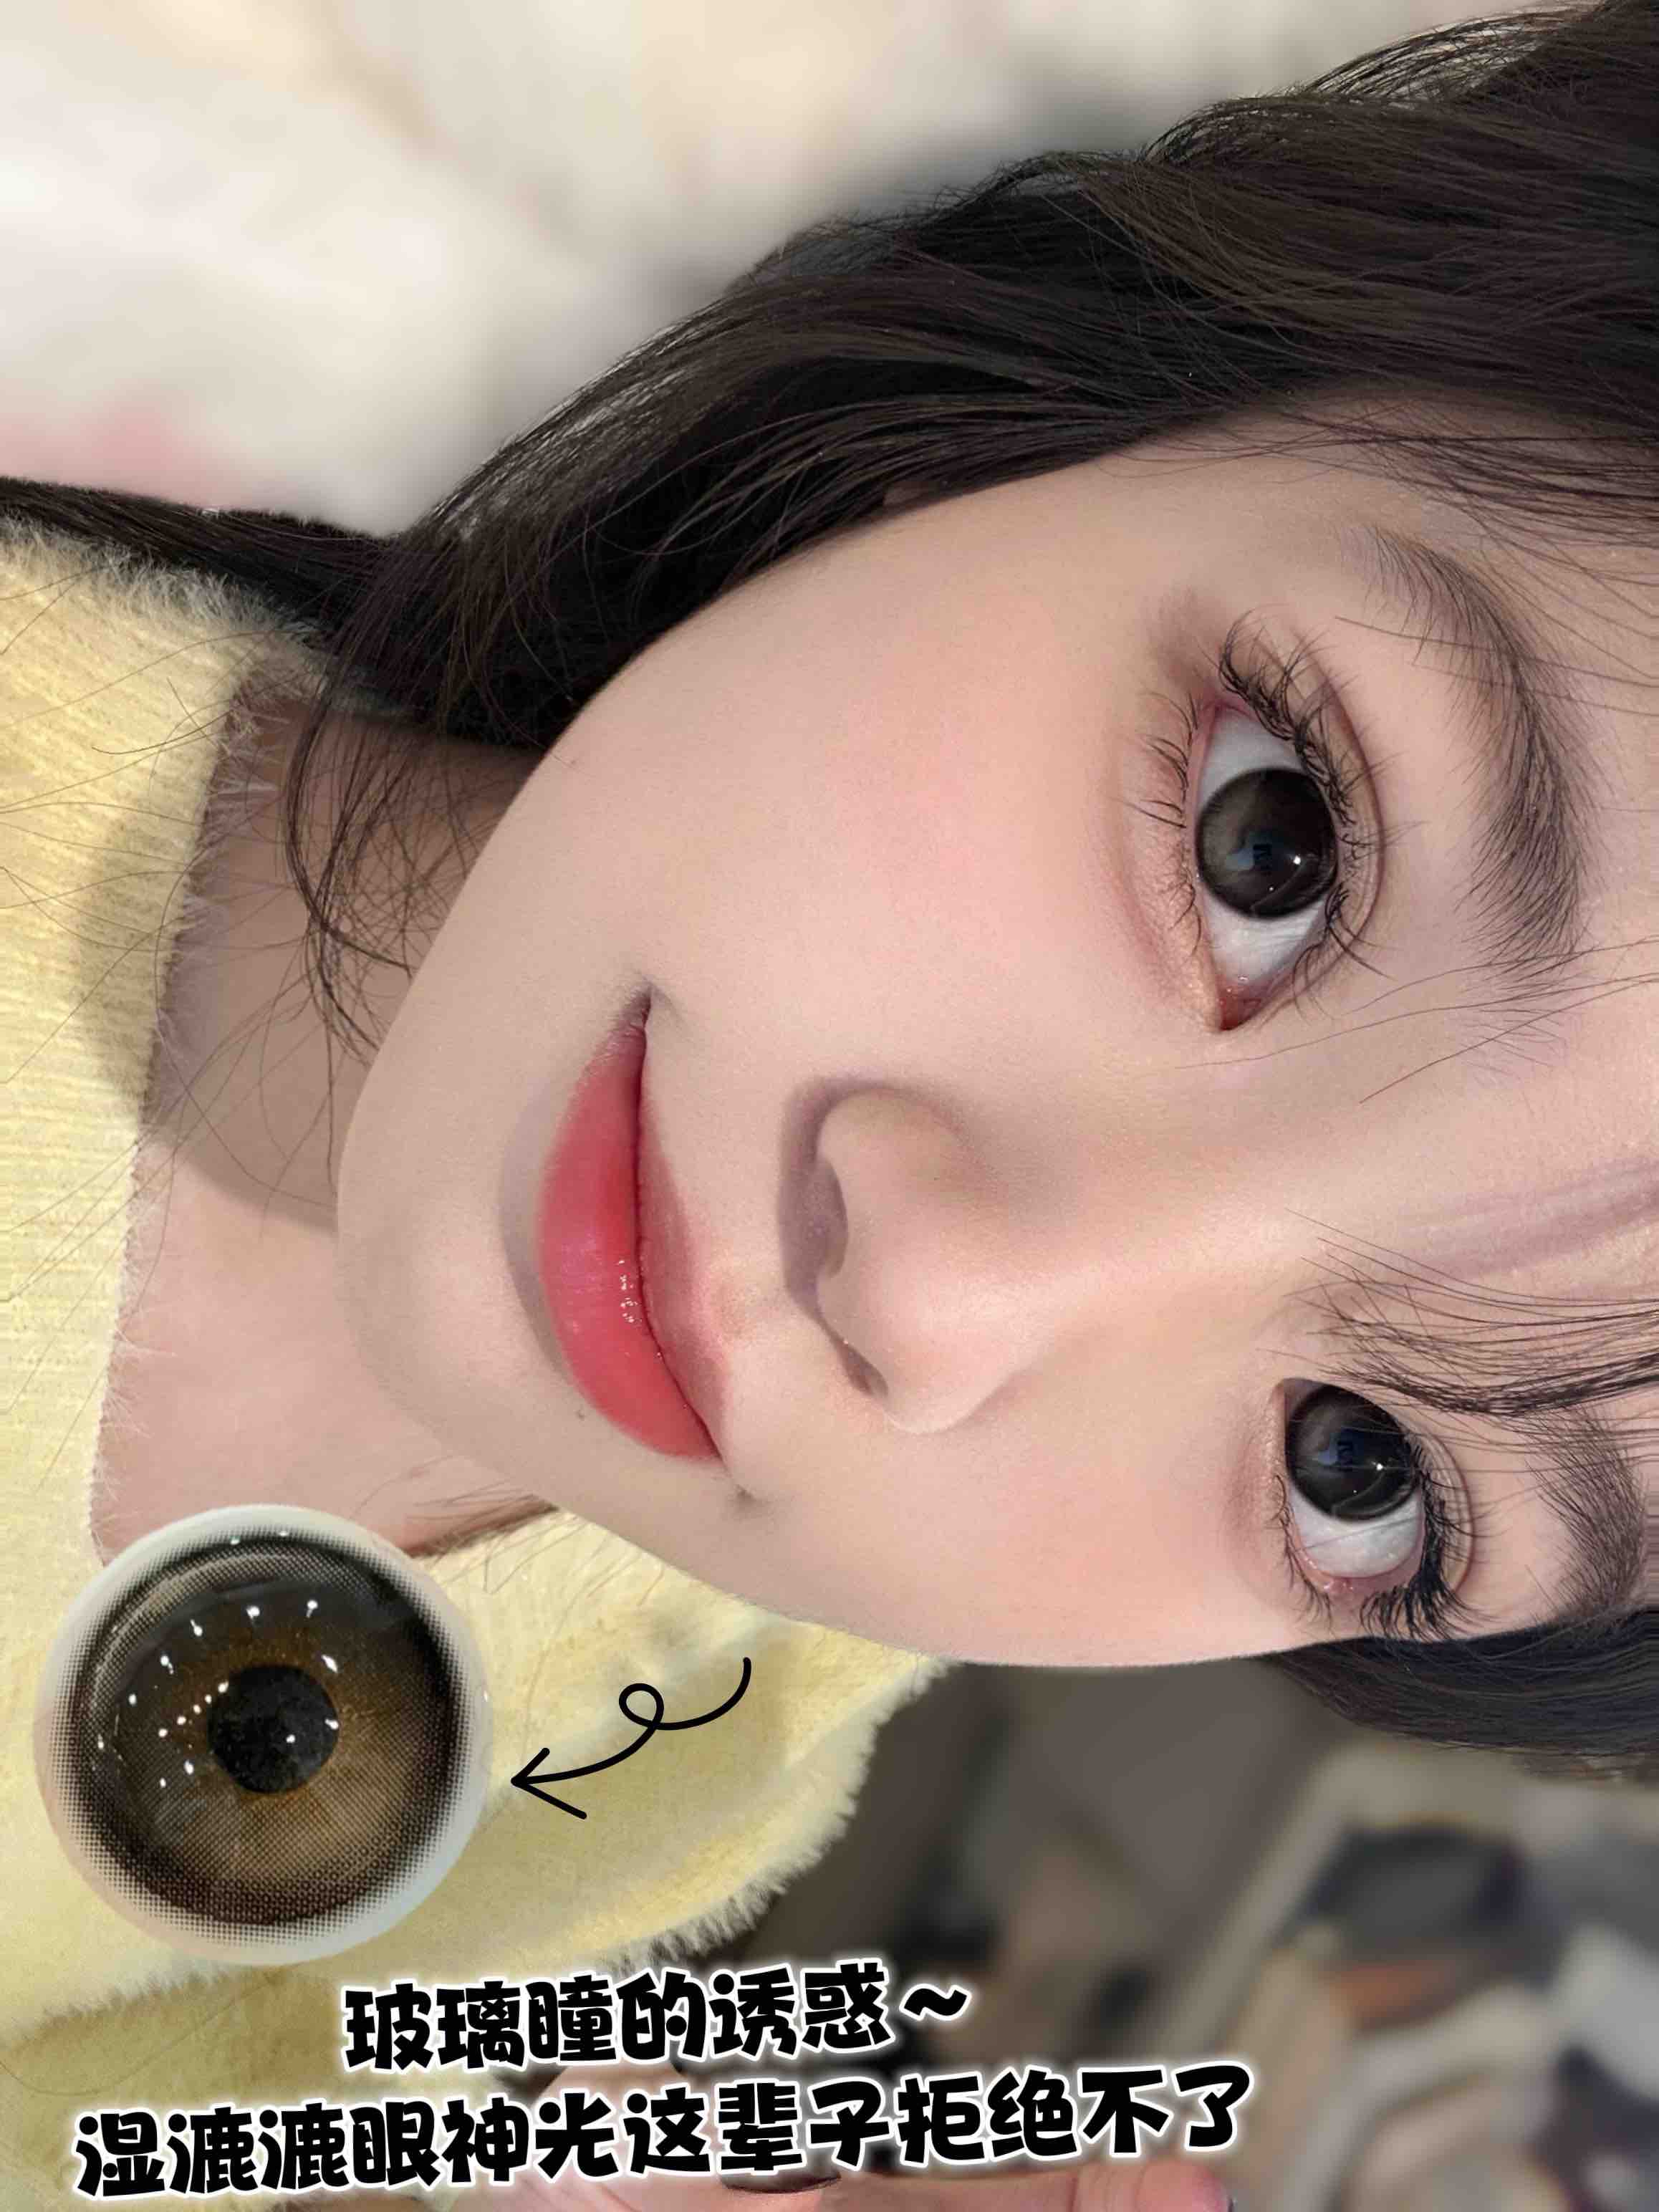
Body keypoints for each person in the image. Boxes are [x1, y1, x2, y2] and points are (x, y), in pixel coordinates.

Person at [3, 0, 1656, 2203]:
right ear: (1044, 422)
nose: (945, 1298)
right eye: (1269, 847)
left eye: (1362, 1473)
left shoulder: (712, 1733)